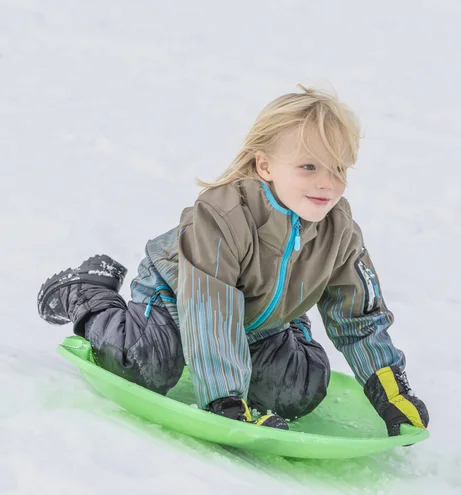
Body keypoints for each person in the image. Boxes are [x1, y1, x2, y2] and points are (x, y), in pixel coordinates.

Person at [37, 85, 429, 434]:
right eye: (309, 166)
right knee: (145, 365)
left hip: (260, 320)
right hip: (178, 299)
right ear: (265, 166)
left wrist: (390, 390)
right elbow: (211, 308)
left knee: (298, 392)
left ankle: (280, 337)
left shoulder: (339, 231)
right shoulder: (223, 215)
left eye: (338, 168)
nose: (327, 183)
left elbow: (359, 317)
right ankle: (88, 291)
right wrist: (225, 402)